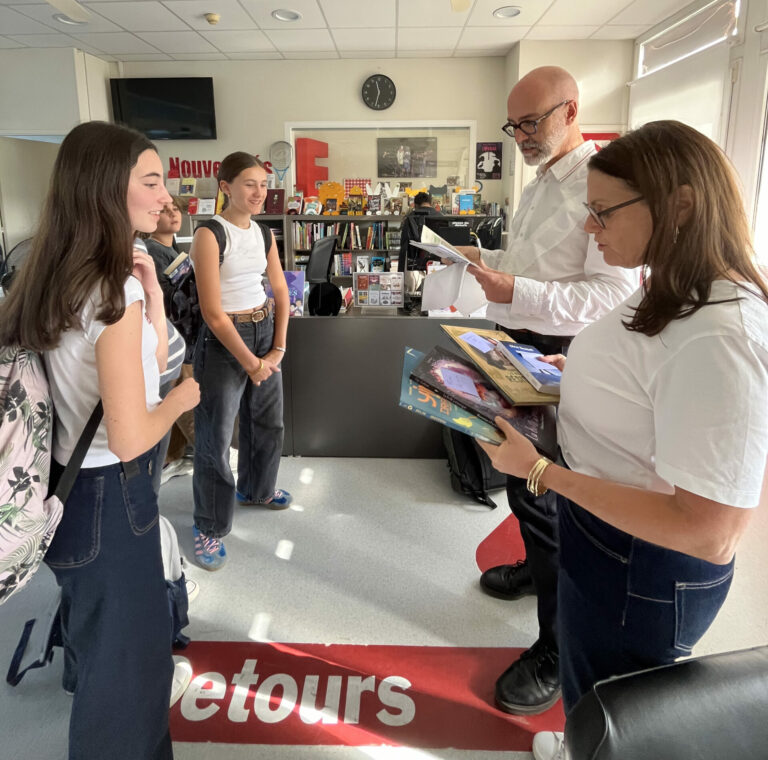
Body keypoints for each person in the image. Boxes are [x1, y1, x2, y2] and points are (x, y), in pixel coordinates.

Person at [478, 120, 768, 760]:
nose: (589, 228)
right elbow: (647, 386)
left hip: (644, 561)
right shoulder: (674, 284)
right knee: (592, 689)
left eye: (604, 211)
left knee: (619, 710)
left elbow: (707, 531)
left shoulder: (724, 336)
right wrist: (567, 380)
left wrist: (539, 472)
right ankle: (580, 741)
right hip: (605, 526)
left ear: (680, 206)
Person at [0, 120, 200, 760]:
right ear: (107, 190)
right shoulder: (112, 292)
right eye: (152, 181)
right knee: (126, 687)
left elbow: (133, 370)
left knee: (103, 650)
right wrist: (181, 402)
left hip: (66, 490)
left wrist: (155, 299)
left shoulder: (52, 273)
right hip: (113, 498)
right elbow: (132, 433)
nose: (165, 197)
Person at [455, 66, 638, 716]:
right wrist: (489, 267)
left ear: (572, 111)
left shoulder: (602, 184)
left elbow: (612, 295)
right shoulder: (538, 183)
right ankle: (539, 573)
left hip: (563, 354)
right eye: (515, 126)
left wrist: (518, 290)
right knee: (519, 481)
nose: (522, 136)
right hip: (518, 341)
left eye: (532, 122)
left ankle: (559, 647)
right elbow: (532, 265)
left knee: (546, 494)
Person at [190, 151, 292, 571]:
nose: (259, 192)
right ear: (226, 187)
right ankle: (209, 525)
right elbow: (212, 313)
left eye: (263, 185)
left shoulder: (264, 233)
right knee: (215, 437)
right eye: (249, 184)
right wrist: (251, 362)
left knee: (267, 421)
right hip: (223, 341)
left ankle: (257, 489)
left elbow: (280, 289)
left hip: (263, 328)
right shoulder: (210, 234)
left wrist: (278, 347)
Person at [143, 197, 197, 482]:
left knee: (173, 395)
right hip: (172, 336)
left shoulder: (172, 248)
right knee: (184, 396)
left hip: (183, 333)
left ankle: (172, 456)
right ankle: (209, 453)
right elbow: (166, 299)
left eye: (176, 209)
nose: (173, 214)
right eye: (165, 211)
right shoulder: (152, 251)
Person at [398, 192, 442, 314]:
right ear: (431, 203)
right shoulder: (440, 216)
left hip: (413, 262)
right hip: (437, 262)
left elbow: (404, 246)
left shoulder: (409, 217)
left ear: (415, 204)